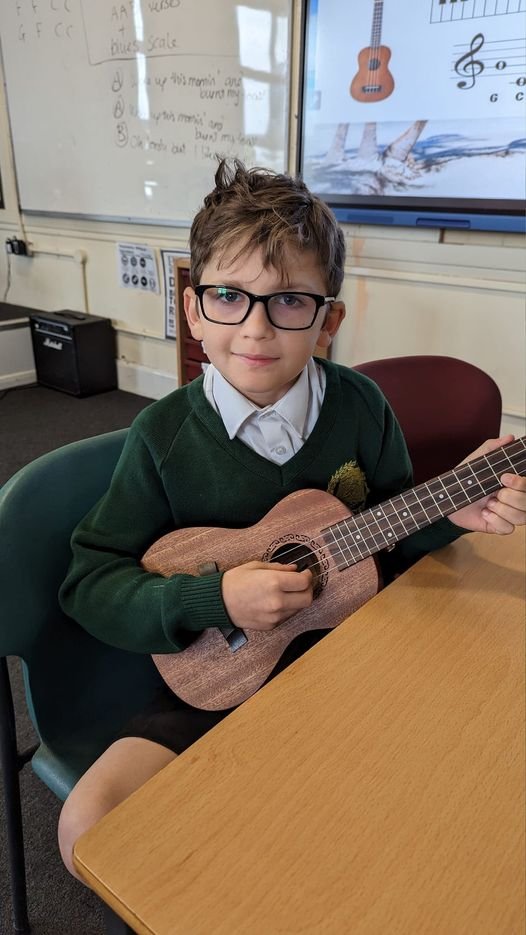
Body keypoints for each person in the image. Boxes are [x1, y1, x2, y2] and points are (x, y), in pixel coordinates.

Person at [57, 158, 526, 880]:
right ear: (192, 309)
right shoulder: (162, 437)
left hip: (353, 654)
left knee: (445, 795)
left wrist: (450, 513)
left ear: (328, 321)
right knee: (91, 825)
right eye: (228, 297)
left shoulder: (362, 409)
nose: (255, 327)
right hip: (217, 672)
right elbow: (90, 582)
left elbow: (389, 543)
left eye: (289, 302)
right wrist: (214, 598)